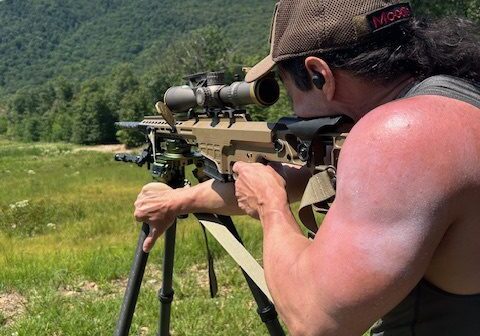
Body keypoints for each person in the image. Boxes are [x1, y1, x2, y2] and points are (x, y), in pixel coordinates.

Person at [134, 1, 480, 335]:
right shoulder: (454, 97)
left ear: (318, 75)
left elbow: (317, 321)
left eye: (286, 88)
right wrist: (177, 201)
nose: (294, 110)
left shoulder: (400, 135)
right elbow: (292, 177)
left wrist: (270, 208)